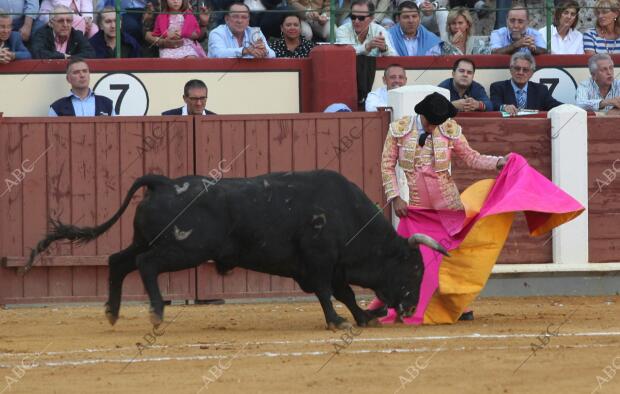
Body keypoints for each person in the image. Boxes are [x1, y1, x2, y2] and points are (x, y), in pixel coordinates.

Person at [490, 52, 563, 115]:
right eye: (517, 68)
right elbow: (494, 105)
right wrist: (504, 107)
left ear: (531, 73)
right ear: (511, 69)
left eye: (525, 70)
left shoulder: (541, 90)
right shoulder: (498, 87)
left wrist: (571, 108)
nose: (520, 73)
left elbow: (556, 106)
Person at [48, 57, 114, 116]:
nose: (82, 75)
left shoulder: (107, 104)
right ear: (68, 79)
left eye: (85, 71)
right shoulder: (57, 108)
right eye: (76, 72)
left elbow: (116, 128)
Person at [208, 2, 275, 58]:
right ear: (226, 19)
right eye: (235, 16)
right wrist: (244, 51)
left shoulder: (255, 33)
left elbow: (272, 54)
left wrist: (264, 51)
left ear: (248, 21)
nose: (240, 21)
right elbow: (218, 54)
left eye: (244, 17)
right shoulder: (217, 33)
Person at [30, 5, 95, 59]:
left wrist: (70, 58)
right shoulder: (42, 33)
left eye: (68, 21)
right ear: (51, 23)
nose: (65, 25)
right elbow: (38, 53)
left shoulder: (76, 34)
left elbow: (90, 53)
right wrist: (63, 56)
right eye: (60, 21)